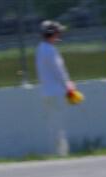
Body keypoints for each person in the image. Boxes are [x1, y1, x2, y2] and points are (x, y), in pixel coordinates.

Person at [35, 20, 76, 156]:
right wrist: (68, 86)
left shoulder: (40, 48)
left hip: (46, 92)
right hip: (57, 92)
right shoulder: (51, 50)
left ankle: (54, 153)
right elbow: (59, 71)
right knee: (59, 125)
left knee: (52, 125)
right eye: (57, 32)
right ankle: (61, 154)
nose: (59, 34)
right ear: (52, 34)